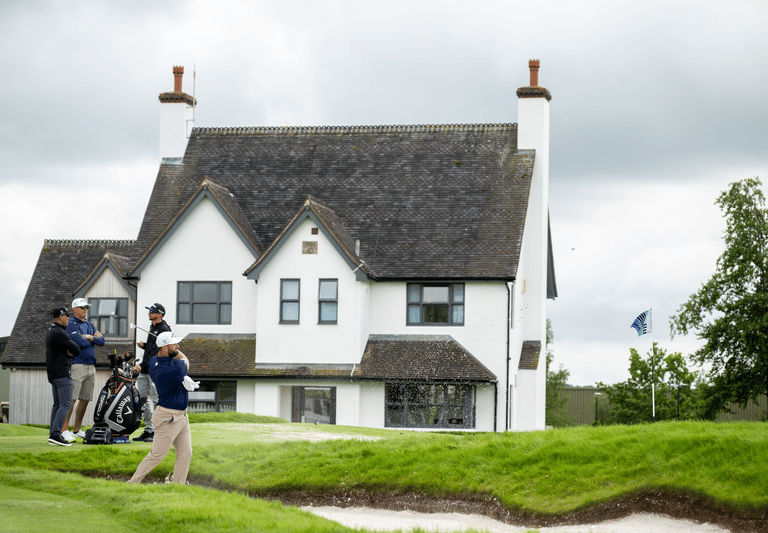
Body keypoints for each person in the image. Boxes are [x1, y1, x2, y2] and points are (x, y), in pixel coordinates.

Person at [128, 331, 192, 484]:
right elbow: (186, 360)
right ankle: (132, 483)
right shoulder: (176, 367)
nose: (177, 347)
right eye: (174, 345)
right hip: (168, 417)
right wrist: (177, 352)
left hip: (181, 416)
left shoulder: (152, 361)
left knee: (185, 453)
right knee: (157, 455)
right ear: (164, 349)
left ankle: (178, 485)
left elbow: (171, 355)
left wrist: (172, 348)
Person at [62, 297, 104, 440]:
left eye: (86, 307)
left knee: (85, 399)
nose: (85, 310)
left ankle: (77, 429)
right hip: (77, 365)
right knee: (72, 399)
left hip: (91, 366)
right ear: (75, 309)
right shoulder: (71, 324)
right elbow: (78, 342)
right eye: (82, 307)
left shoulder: (89, 325)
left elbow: (102, 341)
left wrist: (90, 338)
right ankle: (64, 429)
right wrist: (92, 339)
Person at [131, 303, 171, 442]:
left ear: (159, 314)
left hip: (156, 369)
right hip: (147, 369)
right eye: (149, 311)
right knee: (141, 398)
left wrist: (141, 365)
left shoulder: (164, 329)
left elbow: (158, 352)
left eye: (152, 311)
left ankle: (158, 432)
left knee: (156, 400)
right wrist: (145, 346)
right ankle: (149, 430)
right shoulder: (152, 327)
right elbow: (152, 348)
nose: (149, 313)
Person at [46, 306, 81, 446]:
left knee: (57, 404)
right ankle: (56, 434)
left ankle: (53, 435)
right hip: (62, 374)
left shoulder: (51, 331)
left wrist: (68, 351)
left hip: (54, 374)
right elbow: (77, 349)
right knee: (66, 404)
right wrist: (69, 351)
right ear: (61, 317)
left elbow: (71, 349)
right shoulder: (59, 333)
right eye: (67, 316)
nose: (68, 318)